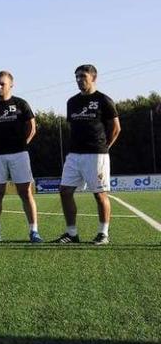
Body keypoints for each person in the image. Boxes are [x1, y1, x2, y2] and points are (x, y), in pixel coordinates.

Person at [54, 64, 121, 245]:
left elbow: (116, 128)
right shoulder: (72, 102)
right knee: (65, 191)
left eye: (83, 76)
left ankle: (103, 234)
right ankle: (72, 233)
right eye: (76, 77)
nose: (79, 80)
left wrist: (105, 147)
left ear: (93, 77)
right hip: (74, 155)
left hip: (96, 154)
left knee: (99, 195)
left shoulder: (104, 100)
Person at [0, 71, 42, 244]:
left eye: (2, 84)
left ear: (11, 85)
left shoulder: (21, 104)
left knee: (26, 192)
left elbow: (32, 127)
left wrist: (23, 144)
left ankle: (34, 231)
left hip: (19, 154)